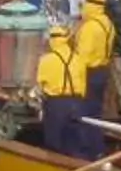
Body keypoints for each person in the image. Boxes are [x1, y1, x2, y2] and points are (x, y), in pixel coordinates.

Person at [37, 19, 97, 159]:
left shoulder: (46, 60)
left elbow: (40, 83)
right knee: (77, 140)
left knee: (55, 142)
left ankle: (56, 170)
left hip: (56, 104)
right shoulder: (78, 58)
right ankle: (79, 167)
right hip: (77, 102)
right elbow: (83, 82)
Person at [74, 0, 117, 117]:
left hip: (88, 72)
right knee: (96, 109)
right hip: (103, 70)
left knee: (85, 110)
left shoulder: (90, 27)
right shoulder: (108, 23)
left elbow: (83, 56)